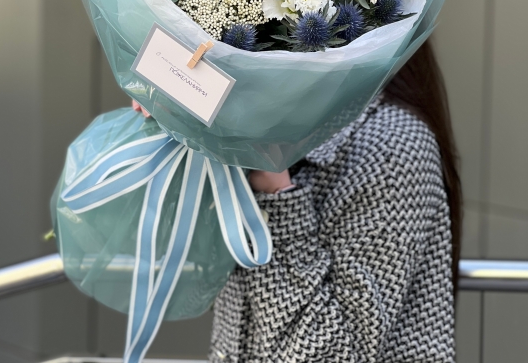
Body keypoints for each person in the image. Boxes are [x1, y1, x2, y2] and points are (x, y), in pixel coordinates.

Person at [134, 39, 461, 363]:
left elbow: (330, 356)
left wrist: (273, 185)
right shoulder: (278, 123)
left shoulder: (391, 145)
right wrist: (178, 121)